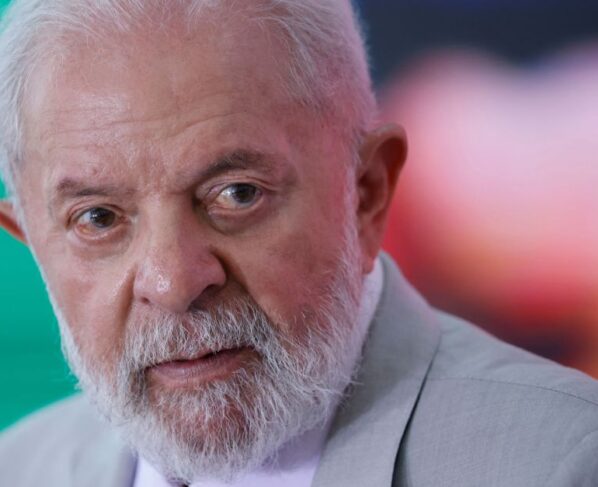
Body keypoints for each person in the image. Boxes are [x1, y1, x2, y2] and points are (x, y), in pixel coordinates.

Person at [0, 1, 597, 486]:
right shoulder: (16, 468)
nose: (173, 282)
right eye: (98, 218)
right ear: (29, 241)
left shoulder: (563, 462)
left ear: (366, 193)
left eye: (237, 194)